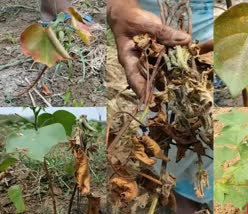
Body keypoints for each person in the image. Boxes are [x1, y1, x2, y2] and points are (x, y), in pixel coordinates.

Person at [39, 0, 213, 212]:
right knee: (166, 120)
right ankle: (179, 190)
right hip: (149, 18)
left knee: (198, 140)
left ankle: (188, 192)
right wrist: (118, 9)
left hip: (206, 30)